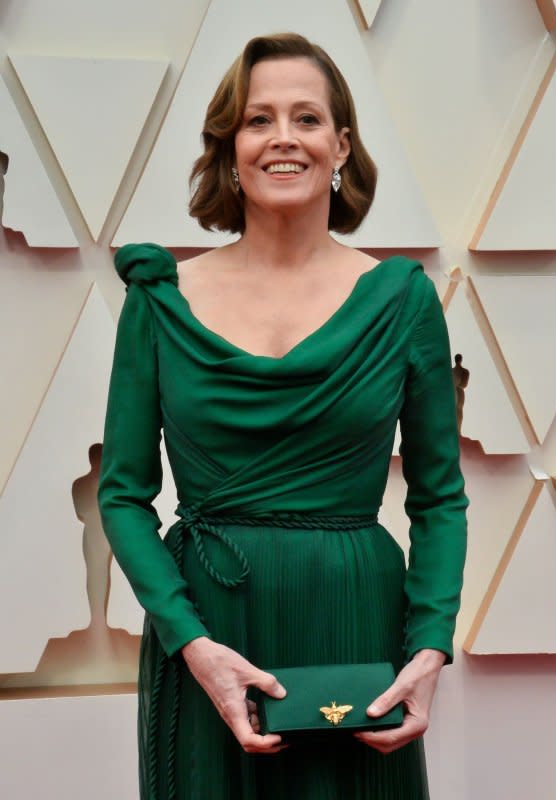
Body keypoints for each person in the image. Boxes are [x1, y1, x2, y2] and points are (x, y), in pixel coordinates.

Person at [98, 32, 468, 800]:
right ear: (230, 149)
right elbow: (124, 495)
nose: (282, 138)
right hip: (207, 632)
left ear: (341, 145)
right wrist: (191, 643)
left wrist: (429, 648)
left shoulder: (402, 302)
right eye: (258, 119)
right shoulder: (159, 301)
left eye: (306, 118)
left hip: (358, 628)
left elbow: (439, 497)